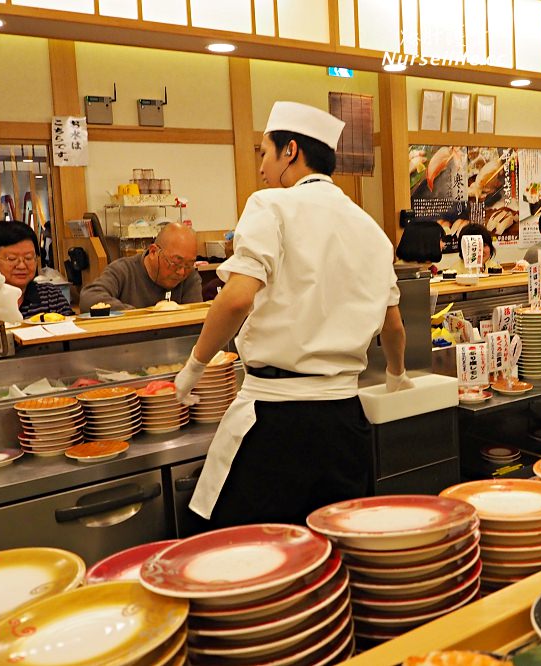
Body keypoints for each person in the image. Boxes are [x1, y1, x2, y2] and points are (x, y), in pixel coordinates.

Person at [175, 100, 412, 529]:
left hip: (276, 426)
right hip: (344, 421)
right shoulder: (370, 229)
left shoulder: (271, 206)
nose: (262, 167)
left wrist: (194, 367)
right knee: (336, 547)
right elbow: (392, 327)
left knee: (256, 554)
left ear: (290, 151)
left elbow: (235, 300)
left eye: (264, 153)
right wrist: (396, 375)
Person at [79, 222, 202, 311]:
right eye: (175, 263)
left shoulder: (189, 277)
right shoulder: (123, 271)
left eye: (188, 264)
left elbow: (195, 317)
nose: (181, 272)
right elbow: (89, 298)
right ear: (153, 251)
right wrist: (137, 315)